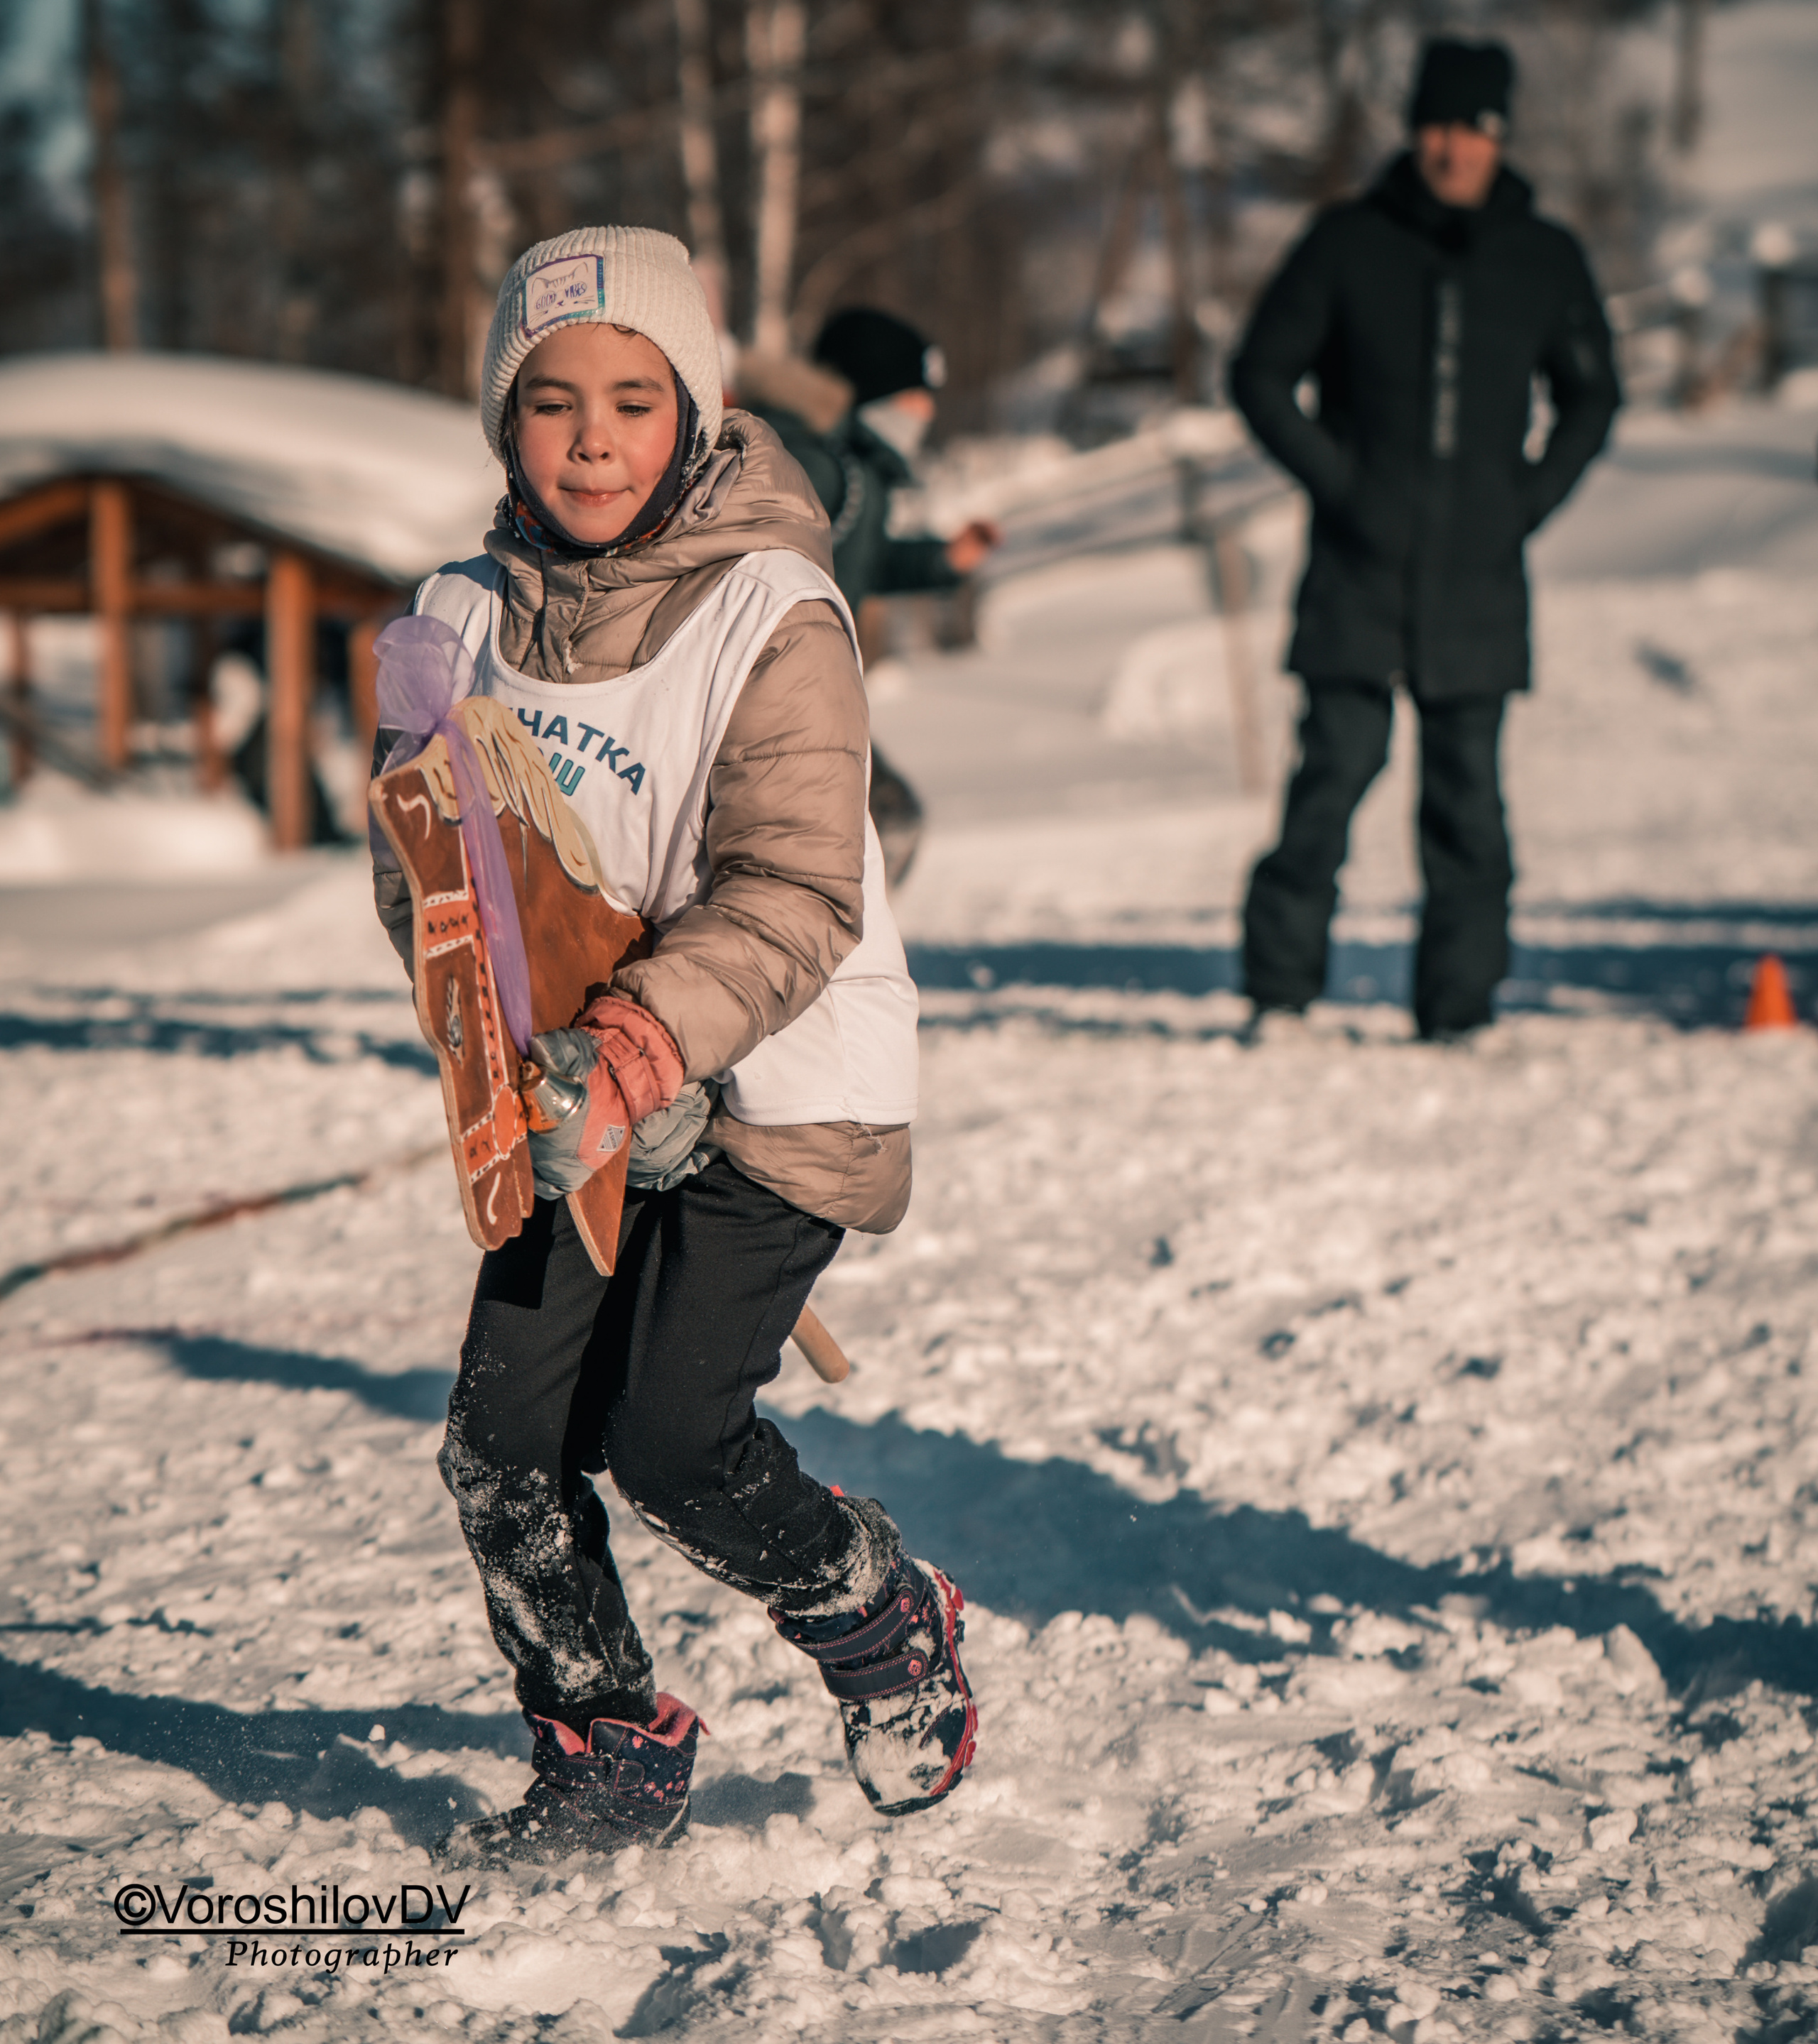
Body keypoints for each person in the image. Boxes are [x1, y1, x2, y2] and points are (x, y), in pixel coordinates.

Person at [369, 226, 976, 1862]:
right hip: (569, 1097)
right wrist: (508, 984)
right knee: (502, 1450)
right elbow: (422, 880)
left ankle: (877, 1617)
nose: (587, 435)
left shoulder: (774, 607)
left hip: (781, 1081)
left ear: (692, 413)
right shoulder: (453, 618)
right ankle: (605, 1743)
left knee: (669, 1442)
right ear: (502, 422)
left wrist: (655, 1045)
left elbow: (793, 886)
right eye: (549, 399)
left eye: (632, 400)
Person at [1229, 38, 1620, 1042]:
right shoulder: (1347, 242)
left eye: (1474, 128)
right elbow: (1260, 374)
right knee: (1330, 782)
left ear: (1500, 135)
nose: (1453, 147)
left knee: (1467, 806)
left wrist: (1524, 500)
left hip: (1479, 577)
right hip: (1358, 567)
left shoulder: (1544, 256)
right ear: (1416, 131)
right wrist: (1342, 482)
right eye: (1437, 126)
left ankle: (1458, 1010)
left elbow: (1591, 395)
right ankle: (1280, 996)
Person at [737, 307, 999, 885]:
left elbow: (862, 560)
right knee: (877, 824)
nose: (925, 412)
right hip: (773, 695)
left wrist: (941, 560)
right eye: (914, 397)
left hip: (807, 691)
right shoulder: (817, 465)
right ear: (873, 392)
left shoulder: (857, 471)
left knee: (881, 824)